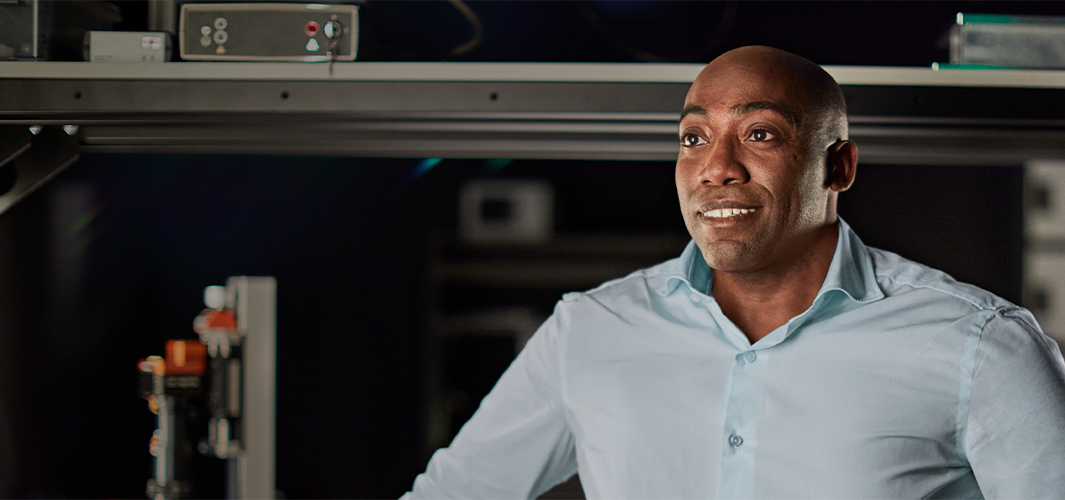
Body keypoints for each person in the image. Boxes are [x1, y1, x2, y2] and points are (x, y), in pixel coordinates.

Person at [402, 46, 1065, 499]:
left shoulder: (980, 346)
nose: (715, 166)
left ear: (837, 167)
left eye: (760, 134)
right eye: (693, 137)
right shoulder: (589, 331)